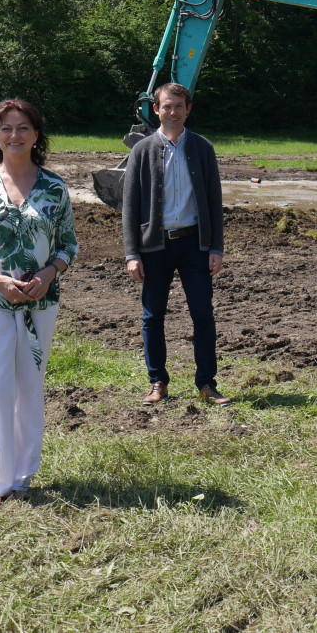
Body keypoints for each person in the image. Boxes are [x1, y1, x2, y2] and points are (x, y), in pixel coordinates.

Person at [0, 99, 78, 510]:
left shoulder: (55, 187)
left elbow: (68, 245)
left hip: (40, 304)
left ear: (36, 134)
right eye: (6, 128)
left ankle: (23, 475)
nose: (14, 135)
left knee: (28, 387)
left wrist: (47, 274)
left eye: (23, 128)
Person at [122, 82, 229, 405]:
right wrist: (132, 253)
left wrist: (216, 248)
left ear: (188, 109)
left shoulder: (202, 148)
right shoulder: (141, 151)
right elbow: (130, 205)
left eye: (178, 106)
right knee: (152, 317)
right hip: (154, 247)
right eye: (166, 106)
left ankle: (207, 384)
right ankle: (157, 382)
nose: (173, 112)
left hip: (194, 246)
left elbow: (214, 201)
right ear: (156, 110)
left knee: (203, 315)